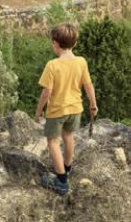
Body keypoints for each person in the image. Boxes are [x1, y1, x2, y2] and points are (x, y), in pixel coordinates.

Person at [35, 23, 99, 195]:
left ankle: (61, 182)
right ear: (75, 43)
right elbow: (88, 85)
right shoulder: (81, 62)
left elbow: (46, 93)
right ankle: (67, 168)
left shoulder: (52, 65)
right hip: (75, 109)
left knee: (53, 142)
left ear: (55, 43)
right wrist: (93, 105)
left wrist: (39, 111)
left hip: (57, 111)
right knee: (69, 136)